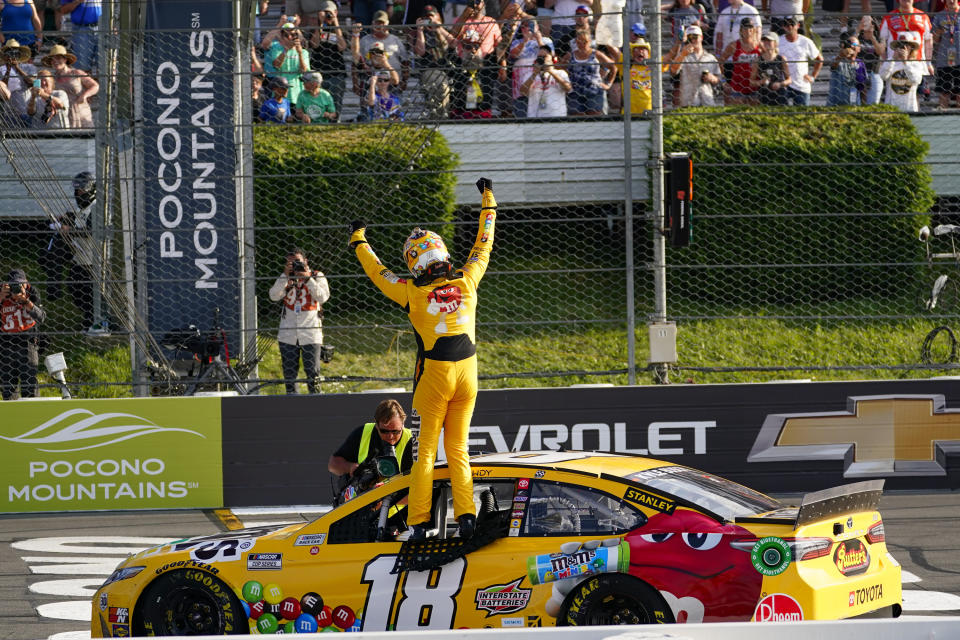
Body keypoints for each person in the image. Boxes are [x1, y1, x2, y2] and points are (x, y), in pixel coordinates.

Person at [348, 177, 498, 540]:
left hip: (434, 378)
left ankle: (418, 523)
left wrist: (359, 238)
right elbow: (484, 242)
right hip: (469, 375)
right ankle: (466, 518)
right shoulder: (468, 279)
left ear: (415, 264)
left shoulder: (411, 293)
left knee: (425, 454)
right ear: (444, 254)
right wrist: (488, 199)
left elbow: (376, 271)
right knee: (458, 449)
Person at [268, 248, 331, 394]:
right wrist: (285, 275)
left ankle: (316, 406)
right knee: (290, 377)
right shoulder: (286, 277)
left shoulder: (317, 276)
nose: (295, 265)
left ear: (305, 261)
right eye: (290, 263)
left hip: (311, 333)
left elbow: (323, 297)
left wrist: (307, 279)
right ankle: (292, 406)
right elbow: (273, 296)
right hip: (287, 334)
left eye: (297, 261)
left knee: (313, 374)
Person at [328, 398, 416, 496]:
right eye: (384, 431)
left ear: (403, 424)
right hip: (364, 505)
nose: (390, 436)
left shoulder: (413, 440)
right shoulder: (363, 433)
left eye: (395, 431)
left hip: (399, 507)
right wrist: (350, 467)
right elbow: (333, 465)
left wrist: (384, 497)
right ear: (377, 425)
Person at [0, 269, 46, 401]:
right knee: (8, 390)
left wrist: (26, 301)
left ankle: (33, 418)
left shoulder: (32, 292)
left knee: (29, 387)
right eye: (14, 285)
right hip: (5, 346)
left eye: (21, 284)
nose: (18, 288)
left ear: (26, 283)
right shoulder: (2, 293)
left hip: (28, 343)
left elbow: (41, 317)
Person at [561, 26, 615, 115]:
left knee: (594, 117)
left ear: (590, 41)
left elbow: (613, 67)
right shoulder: (570, 55)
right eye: (579, 42)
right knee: (576, 118)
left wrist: (608, 84)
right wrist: (567, 79)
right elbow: (560, 68)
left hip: (594, 91)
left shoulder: (596, 54)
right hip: (575, 93)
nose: (582, 44)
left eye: (585, 42)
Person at [414, 4, 455, 119]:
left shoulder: (444, 30)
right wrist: (420, 30)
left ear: (437, 16)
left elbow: (454, 43)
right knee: (441, 85)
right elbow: (420, 51)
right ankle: (439, 116)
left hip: (448, 68)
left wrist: (439, 28)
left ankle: (446, 114)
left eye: (431, 17)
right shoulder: (419, 34)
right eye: (426, 18)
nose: (429, 20)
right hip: (429, 69)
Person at [42, 43, 97, 128]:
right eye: (52, 60)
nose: (55, 61)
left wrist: (84, 96)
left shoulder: (76, 73)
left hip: (81, 112)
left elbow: (95, 86)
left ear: (65, 59)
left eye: (58, 58)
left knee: (86, 139)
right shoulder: (52, 79)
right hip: (65, 115)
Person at [354, 10, 411, 90]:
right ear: (372, 24)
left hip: (393, 82)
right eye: (377, 23)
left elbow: (405, 62)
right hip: (371, 82)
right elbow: (355, 61)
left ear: (387, 23)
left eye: (382, 23)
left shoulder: (395, 40)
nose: (379, 25)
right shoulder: (365, 40)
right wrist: (355, 84)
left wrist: (404, 81)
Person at [666, 24, 722, 106]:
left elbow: (719, 79)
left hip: (707, 102)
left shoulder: (710, 58)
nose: (692, 40)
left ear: (701, 38)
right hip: (688, 102)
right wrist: (683, 54)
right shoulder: (683, 56)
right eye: (689, 37)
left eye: (695, 37)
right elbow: (673, 71)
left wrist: (712, 78)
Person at [309, 1, 348, 117]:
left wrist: (335, 23)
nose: (328, 15)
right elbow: (314, 44)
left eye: (330, 12)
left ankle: (335, 122)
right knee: (318, 101)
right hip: (318, 72)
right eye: (325, 12)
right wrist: (320, 23)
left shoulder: (341, 30)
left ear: (336, 12)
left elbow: (342, 47)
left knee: (336, 102)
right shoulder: (315, 29)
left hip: (337, 72)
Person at [510, 18, 552, 117]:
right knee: (522, 114)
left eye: (531, 25)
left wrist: (539, 41)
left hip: (541, 84)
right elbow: (513, 55)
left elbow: (549, 56)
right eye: (524, 26)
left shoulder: (546, 41)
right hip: (522, 86)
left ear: (537, 27)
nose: (527, 28)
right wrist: (525, 41)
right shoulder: (517, 42)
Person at [777, 15, 822, 105]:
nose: (789, 26)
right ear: (783, 26)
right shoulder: (778, 41)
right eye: (786, 24)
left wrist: (813, 77)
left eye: (792, 24)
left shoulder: (806, 41)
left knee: (803, 116)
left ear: (798, 25)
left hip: (802, 85)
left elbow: (819, 59)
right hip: (784, 85)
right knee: (782, 116)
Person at [265, 21, 311, 104]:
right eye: (286, 35)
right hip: (280, 92)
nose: (290, 37)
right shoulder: (276, 48)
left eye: (293, 35)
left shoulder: (303, 52)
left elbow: (304, 71)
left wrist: (299, 53)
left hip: (297, 91)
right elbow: (276, 65)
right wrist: (286, 49)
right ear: (282, 37)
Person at [880, 29, 926, 110]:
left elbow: (916, 80)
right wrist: (893, 59)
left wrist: (905, 62)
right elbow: (883, 76)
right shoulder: (890, 61)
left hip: (909, 108)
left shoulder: (916, 64)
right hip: (891, 109)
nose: (903, 48)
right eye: (900, 45)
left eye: (906, 45)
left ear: (911, 48)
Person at [521, 41, 571, 115]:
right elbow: (522, 92)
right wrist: (534, 74)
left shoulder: (560, 73)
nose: (542, 59)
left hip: (557, 116)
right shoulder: (529, 75)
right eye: (539, 57)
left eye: (545, 57)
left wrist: (552, 72)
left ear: (552, 59)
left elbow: (568, 88)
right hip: (536, 117)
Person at [720, 17, 762, 104]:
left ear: (754, 30)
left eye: (750, 27)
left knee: (755, 115)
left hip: (754, 87)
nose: (748, 30)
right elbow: (721, 61)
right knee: (737, 114)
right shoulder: (734, 45)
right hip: (737, 87)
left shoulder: (760, 45)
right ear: (741, 30)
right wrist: (724, 81)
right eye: (745, 28)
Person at [0, 38, 36, 127]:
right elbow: (2, 88)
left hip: (26, 110)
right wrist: (8, 70)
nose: (13, 55)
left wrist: (17, 68)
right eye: (10, 53)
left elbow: (33, 83)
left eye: (15, 52)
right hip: (8, 113)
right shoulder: (1, 69)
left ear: (19, 54)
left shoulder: (29, 67)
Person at [932, 0, 960, 108]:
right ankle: (942, 118)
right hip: (944, 59)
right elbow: (933, 40)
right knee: (944, 92)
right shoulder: (939, 15)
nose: (951, 1)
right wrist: (938, 32)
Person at [826, 31, 867, 104]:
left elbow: (862, 86)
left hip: (853, 104)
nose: (851, 46)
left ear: (859, 49)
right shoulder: (837, 59)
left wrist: (864, 105)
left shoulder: (860, 63)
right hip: (835, 104)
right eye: (849, 44)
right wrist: (841, 55)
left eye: (854, 44)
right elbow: (833, 66)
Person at [58, 0, 99, 72]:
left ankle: (98, 83)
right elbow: (63, 10)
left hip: (102, 29)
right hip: (82, 30)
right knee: (82, 68)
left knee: (104, 68)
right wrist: (77, 2)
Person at [751, 30, 790, 104]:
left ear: (775, 43)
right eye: (765, 40)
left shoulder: (781, 59)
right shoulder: (758, 60)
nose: (766, 43)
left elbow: (789, 80)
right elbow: (751, 82)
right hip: (764, 95)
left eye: (769, 41)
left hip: (780, 96)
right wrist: (761, 82)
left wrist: (780, 84)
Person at [623, 38, 654, 111]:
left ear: (648, 53)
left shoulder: (655, 66)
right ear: (632, 53)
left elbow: (670, 57)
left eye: (643, 49)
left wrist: (678, 42)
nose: (640, 51)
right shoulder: (626, 65)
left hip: (648, 113)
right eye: (637, 49)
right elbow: (615, 53)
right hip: (629, 115)